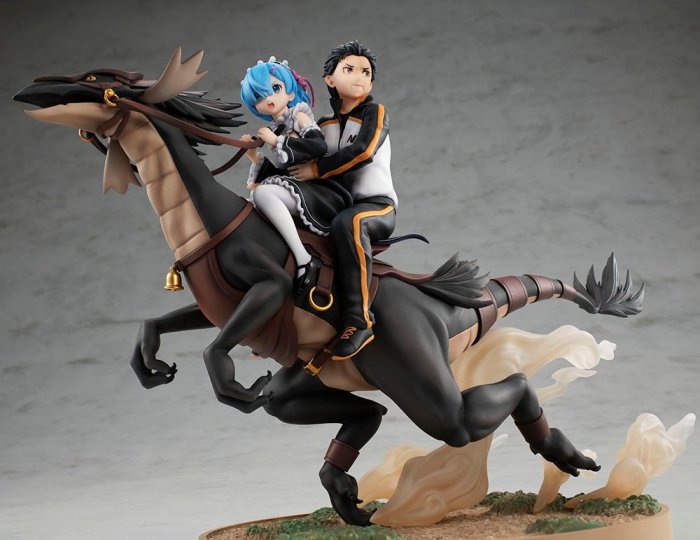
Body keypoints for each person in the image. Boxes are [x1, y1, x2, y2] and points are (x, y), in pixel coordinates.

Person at [289, 41, 397, 361]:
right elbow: (301, 157)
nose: (359, 77)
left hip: (375, 206)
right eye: (349, 69)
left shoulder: (375, 113)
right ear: (330, 79)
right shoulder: (322, 125)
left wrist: (317, 169)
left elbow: (363, 151)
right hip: (336, 203)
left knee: (348, 223)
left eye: (366, 72)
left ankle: (359, 321)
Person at [240, 57, 352, 294]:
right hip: (299, 188)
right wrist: (254, 156)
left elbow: (318, 146)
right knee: (256, 202)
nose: (268, 98)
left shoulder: (299, 117)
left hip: (320, 192)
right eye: (259, 96)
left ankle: (303, 259)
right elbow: (283, 174)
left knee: (263, 195)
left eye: (275, 88)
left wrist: (277, 142)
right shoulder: (277, 128)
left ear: (290, 92)